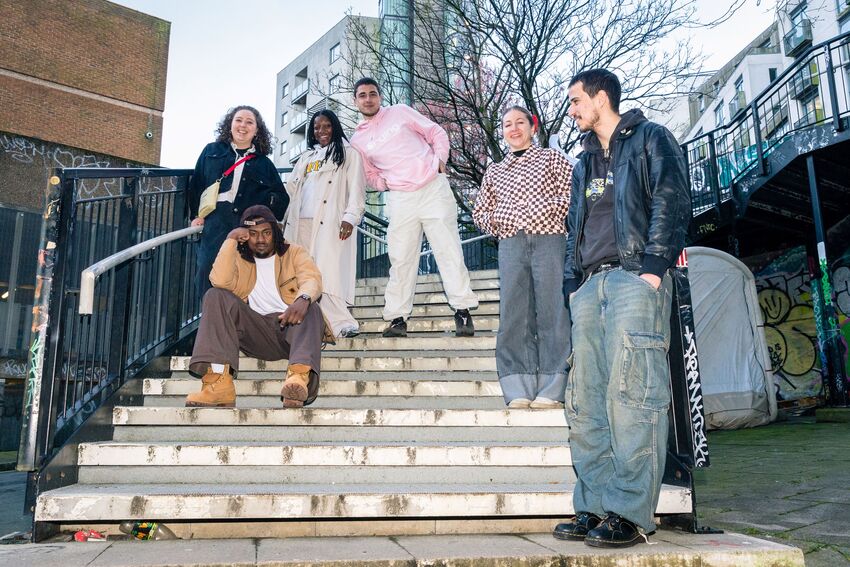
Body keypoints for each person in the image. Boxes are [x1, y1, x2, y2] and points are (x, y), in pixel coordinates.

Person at [553, 69, 691, 547]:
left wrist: (654, 266)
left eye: (575, 101)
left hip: (635, 277)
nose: (571, 111)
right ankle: (593, 507)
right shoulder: (582, 164)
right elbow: (574, 227)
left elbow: (671, 199)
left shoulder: (651, 138)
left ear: (601, 97)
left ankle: (629, 512)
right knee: (586, 401)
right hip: (589, 287)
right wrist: (573, 284)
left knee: (634, 395)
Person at [350, 77, 478, 338]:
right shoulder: (357, 141)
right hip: (401, 198)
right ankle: (397, 318)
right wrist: (383, 183)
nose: (368, 99)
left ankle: (463, 310)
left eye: (372, 93)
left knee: (448, 250)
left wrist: (440, 161)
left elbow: (436, 133)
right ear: (355, 101)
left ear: (380, 96)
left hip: (432, 188)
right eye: (362, 95)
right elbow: (369, 173)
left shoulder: (399, 112)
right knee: (400, 258)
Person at [473, 106, 573, 409]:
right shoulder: (495, 171)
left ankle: (553, 386)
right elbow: (480, 212)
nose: (513, 129)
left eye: (520, 123)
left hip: (550, 239)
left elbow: (572, 194)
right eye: (507, 125)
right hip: (511, 244)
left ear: (533, 126)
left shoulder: (552, 158)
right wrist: (502, 220)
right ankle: (518, 385)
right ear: (502, 132)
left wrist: (540, 210)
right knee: (514, 315)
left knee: (553, 311)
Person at [184, 205, 332, 409]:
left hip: (290, 330)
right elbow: (219, 281)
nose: (260, 239)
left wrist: (303, 299)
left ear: (275, 233)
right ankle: (219, 384)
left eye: (266, 233)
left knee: (311, 307)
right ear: (245, 236)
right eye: (253, 234)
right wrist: (230, 240)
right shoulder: (238, 258)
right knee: (215, 295)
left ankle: (297, 379)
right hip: (254, 333)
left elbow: (312, 279)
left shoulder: (294, 252)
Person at [189, 105, 288, 298]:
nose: (243, 126)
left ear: (257, 130)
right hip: (215, 221)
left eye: (249, 122)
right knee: (207, 270)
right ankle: (209, 320)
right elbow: (196, 185)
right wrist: (195, 215)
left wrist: (262, 218)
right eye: (238, 120)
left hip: (247, 226)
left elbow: (282, 199)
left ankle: (237, 324)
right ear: (230, 124)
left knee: (243, 274)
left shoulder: (264, 164)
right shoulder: (211, 151)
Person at [284, 109, 367, 338]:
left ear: (335, 127)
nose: (322, 131)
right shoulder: (306, 158)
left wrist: (350, 217)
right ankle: (308, 324)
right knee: (303, 273)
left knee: (329, 272)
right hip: (301, 222)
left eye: (327, 126)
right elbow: (291, 190)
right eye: (317, 127)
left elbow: (357, 191)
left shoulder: (349, 154)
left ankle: (341, 322)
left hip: (330, 221)